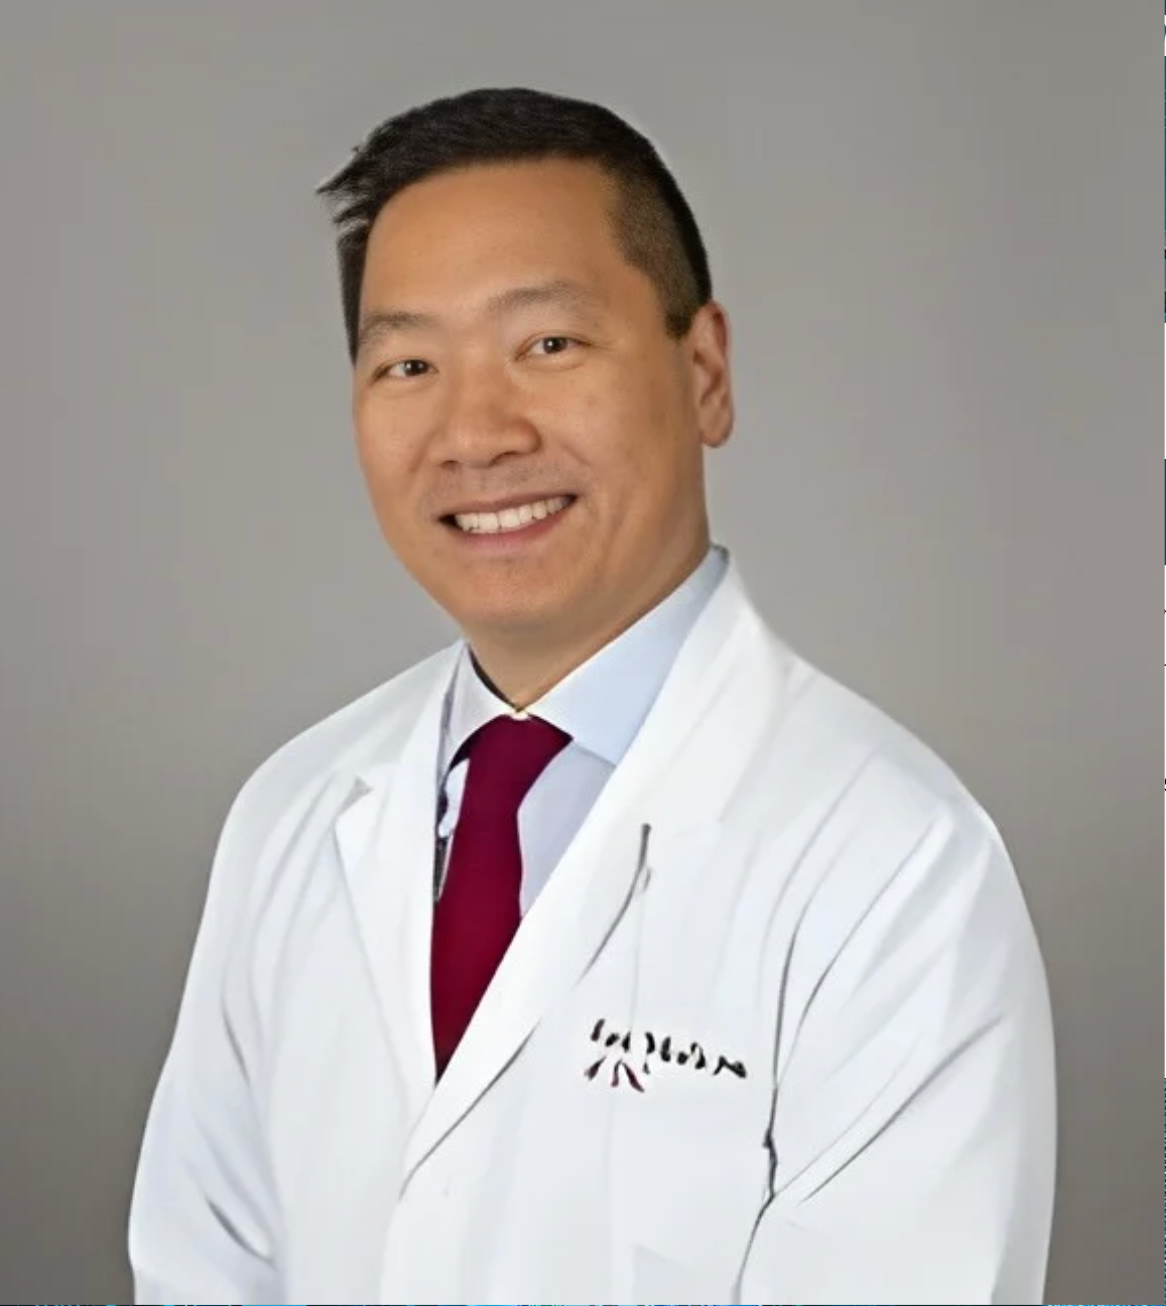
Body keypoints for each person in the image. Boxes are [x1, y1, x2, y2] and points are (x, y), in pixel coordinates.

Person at [127, 86, 1056, 1305]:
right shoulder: (292, 815)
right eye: (409, 361)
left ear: (705, 369)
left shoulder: (893, 871)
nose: (474, 432)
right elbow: (205, 1271)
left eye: (547, 345)